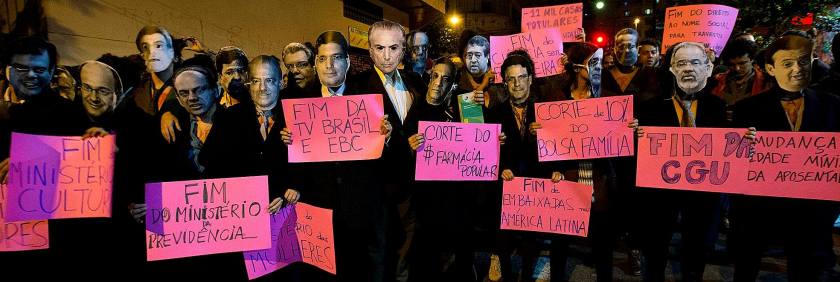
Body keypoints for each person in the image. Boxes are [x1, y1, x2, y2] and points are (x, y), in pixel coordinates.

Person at [634, 41, 755, 282]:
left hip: (703, 196)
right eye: (681, 63)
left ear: (707, 69)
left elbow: (726, 148)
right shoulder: (650, 108)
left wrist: (745, 139)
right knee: (656, 249)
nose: (688, 68)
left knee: (697, 249)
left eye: (695, 62)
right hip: (661, 196)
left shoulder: (718, 107)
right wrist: (635, 134)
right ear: (671, 69)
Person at [280, 30, 392, 282]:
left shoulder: (369, 99)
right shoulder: (297, 102)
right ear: (316, 63)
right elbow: (288, 161)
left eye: (336, 58)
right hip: (318, 205)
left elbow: (386, 158)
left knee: (358, 271)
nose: (329, 65)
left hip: (360, 207)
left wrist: (386, 136)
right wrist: (287, 141)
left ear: (348, 62)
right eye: (322, 59)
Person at [731, 33, 840, 282]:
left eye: (803, 61)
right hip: (761, 212)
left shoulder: (833, 105)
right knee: (747, 268)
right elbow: (736, 163)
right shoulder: (747, 109)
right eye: (787, 64)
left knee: (804, 271)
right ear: (771, 68)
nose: (797, 70)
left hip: (811, 213)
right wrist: (741, 144)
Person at [355, 20, 426, 282]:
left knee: (407, 249)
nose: (386, 56)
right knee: (377, 252)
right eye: (379, 48)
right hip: (376, 186)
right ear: (370, 51)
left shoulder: (415, 81)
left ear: (403, 49)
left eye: (393, 47)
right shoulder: (357, 86)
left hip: (410, 185)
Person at [489, 50, 563, 282]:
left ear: (530, 78)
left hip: (536, 187)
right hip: (506, 188)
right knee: (503, 238)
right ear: (505, 82)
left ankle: (528, 273)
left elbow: (563, 145)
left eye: (521, 77)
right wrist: (499, 165)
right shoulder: (494, 114)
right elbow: (483, 156)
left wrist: (556, 169)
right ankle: (508, 273)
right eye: (511, 79)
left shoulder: (547, 113)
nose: (517, 83)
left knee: (532, 238)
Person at [712, 38, 772, 117]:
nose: (737, 68)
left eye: (742, 63)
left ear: (752, 59)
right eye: (732, 65)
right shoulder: (716, 80)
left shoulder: (767, 81)